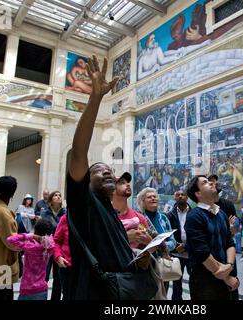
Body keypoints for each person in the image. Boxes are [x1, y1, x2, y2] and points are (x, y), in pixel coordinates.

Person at [66, 55, 152, 300]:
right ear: (86, 178)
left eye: (110, 170)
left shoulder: (111, 211)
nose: (107, 172)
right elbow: (79, 151)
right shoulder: (84, 204)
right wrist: (95, 99)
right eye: (97, 170)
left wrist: (142, 258)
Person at [185, 175, 239, 300]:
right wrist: (226, 277)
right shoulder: (194, 216)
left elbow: (229, 243)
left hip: (225, 274)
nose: (211, 183)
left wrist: (229, 266)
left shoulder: (221, 214)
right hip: (204, 281)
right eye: (205, 182)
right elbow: (202, 252)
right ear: (198, 193)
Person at [137, 187, 177, 299]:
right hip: (146, 265)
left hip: (163, 263)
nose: (153, 198)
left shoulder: (163, 218)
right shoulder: (138, 218)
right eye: (149, 197)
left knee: (162, 295)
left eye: (155, 196)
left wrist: (162, 246)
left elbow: (172, 242)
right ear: (142, 201)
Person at [7, 219, 55, 300]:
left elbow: (10, 239)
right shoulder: (51, 246)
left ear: (35, 230)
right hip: (42, 289)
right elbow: (49, 237)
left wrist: (31, 236)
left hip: (27, 289)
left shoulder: (30, 246)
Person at [112, 172, 152, 250]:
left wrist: (148, 241)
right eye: (122, 183)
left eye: (128, 183)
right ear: (112, 190)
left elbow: (150, 245)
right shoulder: (106, 216)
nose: (127, 185)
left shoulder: (139, 217)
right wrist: (126, 237)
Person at [41, 190, 66, 301]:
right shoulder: (45, 213)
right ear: (51, 199)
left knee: (58, 277)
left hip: (59, 248)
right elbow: (41, 229)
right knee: (44, 275)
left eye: (60, 195)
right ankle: (42, 297)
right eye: (55, 195)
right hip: (46, 248)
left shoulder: (65, 213)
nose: (58, 197)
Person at [167, 189, 191, 300]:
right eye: (178, 194)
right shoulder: (169, 215)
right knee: (176, 282)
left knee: (195, 281)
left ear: (187, 197)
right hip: (176, 254)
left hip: (192, 253)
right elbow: (168, 232)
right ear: (174, 197)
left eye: (183, 194)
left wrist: (186, 246)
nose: (180, 196)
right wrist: (177, 246)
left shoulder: (194, 213)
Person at [53, 213, 71, 300]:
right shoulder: (65, 218)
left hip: (87, 268)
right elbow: (56, 241)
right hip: (67, 266)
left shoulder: (94, 216)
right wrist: (58, 256)